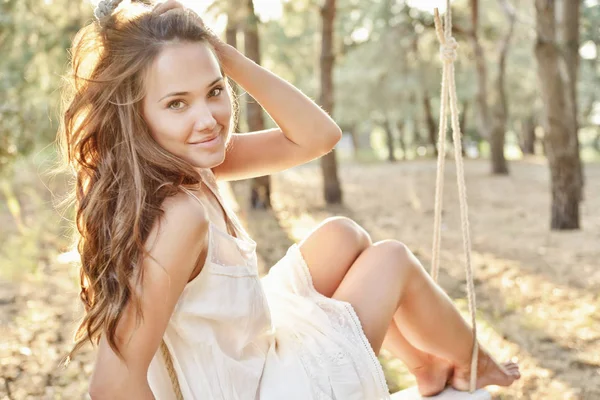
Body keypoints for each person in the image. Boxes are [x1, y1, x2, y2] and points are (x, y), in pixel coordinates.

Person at [59, 0, 520, 398]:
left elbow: (318, 137)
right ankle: (477, 364)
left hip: (251, 355)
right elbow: (111, 386)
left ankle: (428, 366)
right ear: (136, 115)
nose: (207, 119)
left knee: (342, 235)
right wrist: (211, 61)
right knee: (391, 261)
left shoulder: (190, 164)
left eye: (215, 91)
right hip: (261, 390)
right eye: (177, 103)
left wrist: (217, 54)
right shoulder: (179, 215)